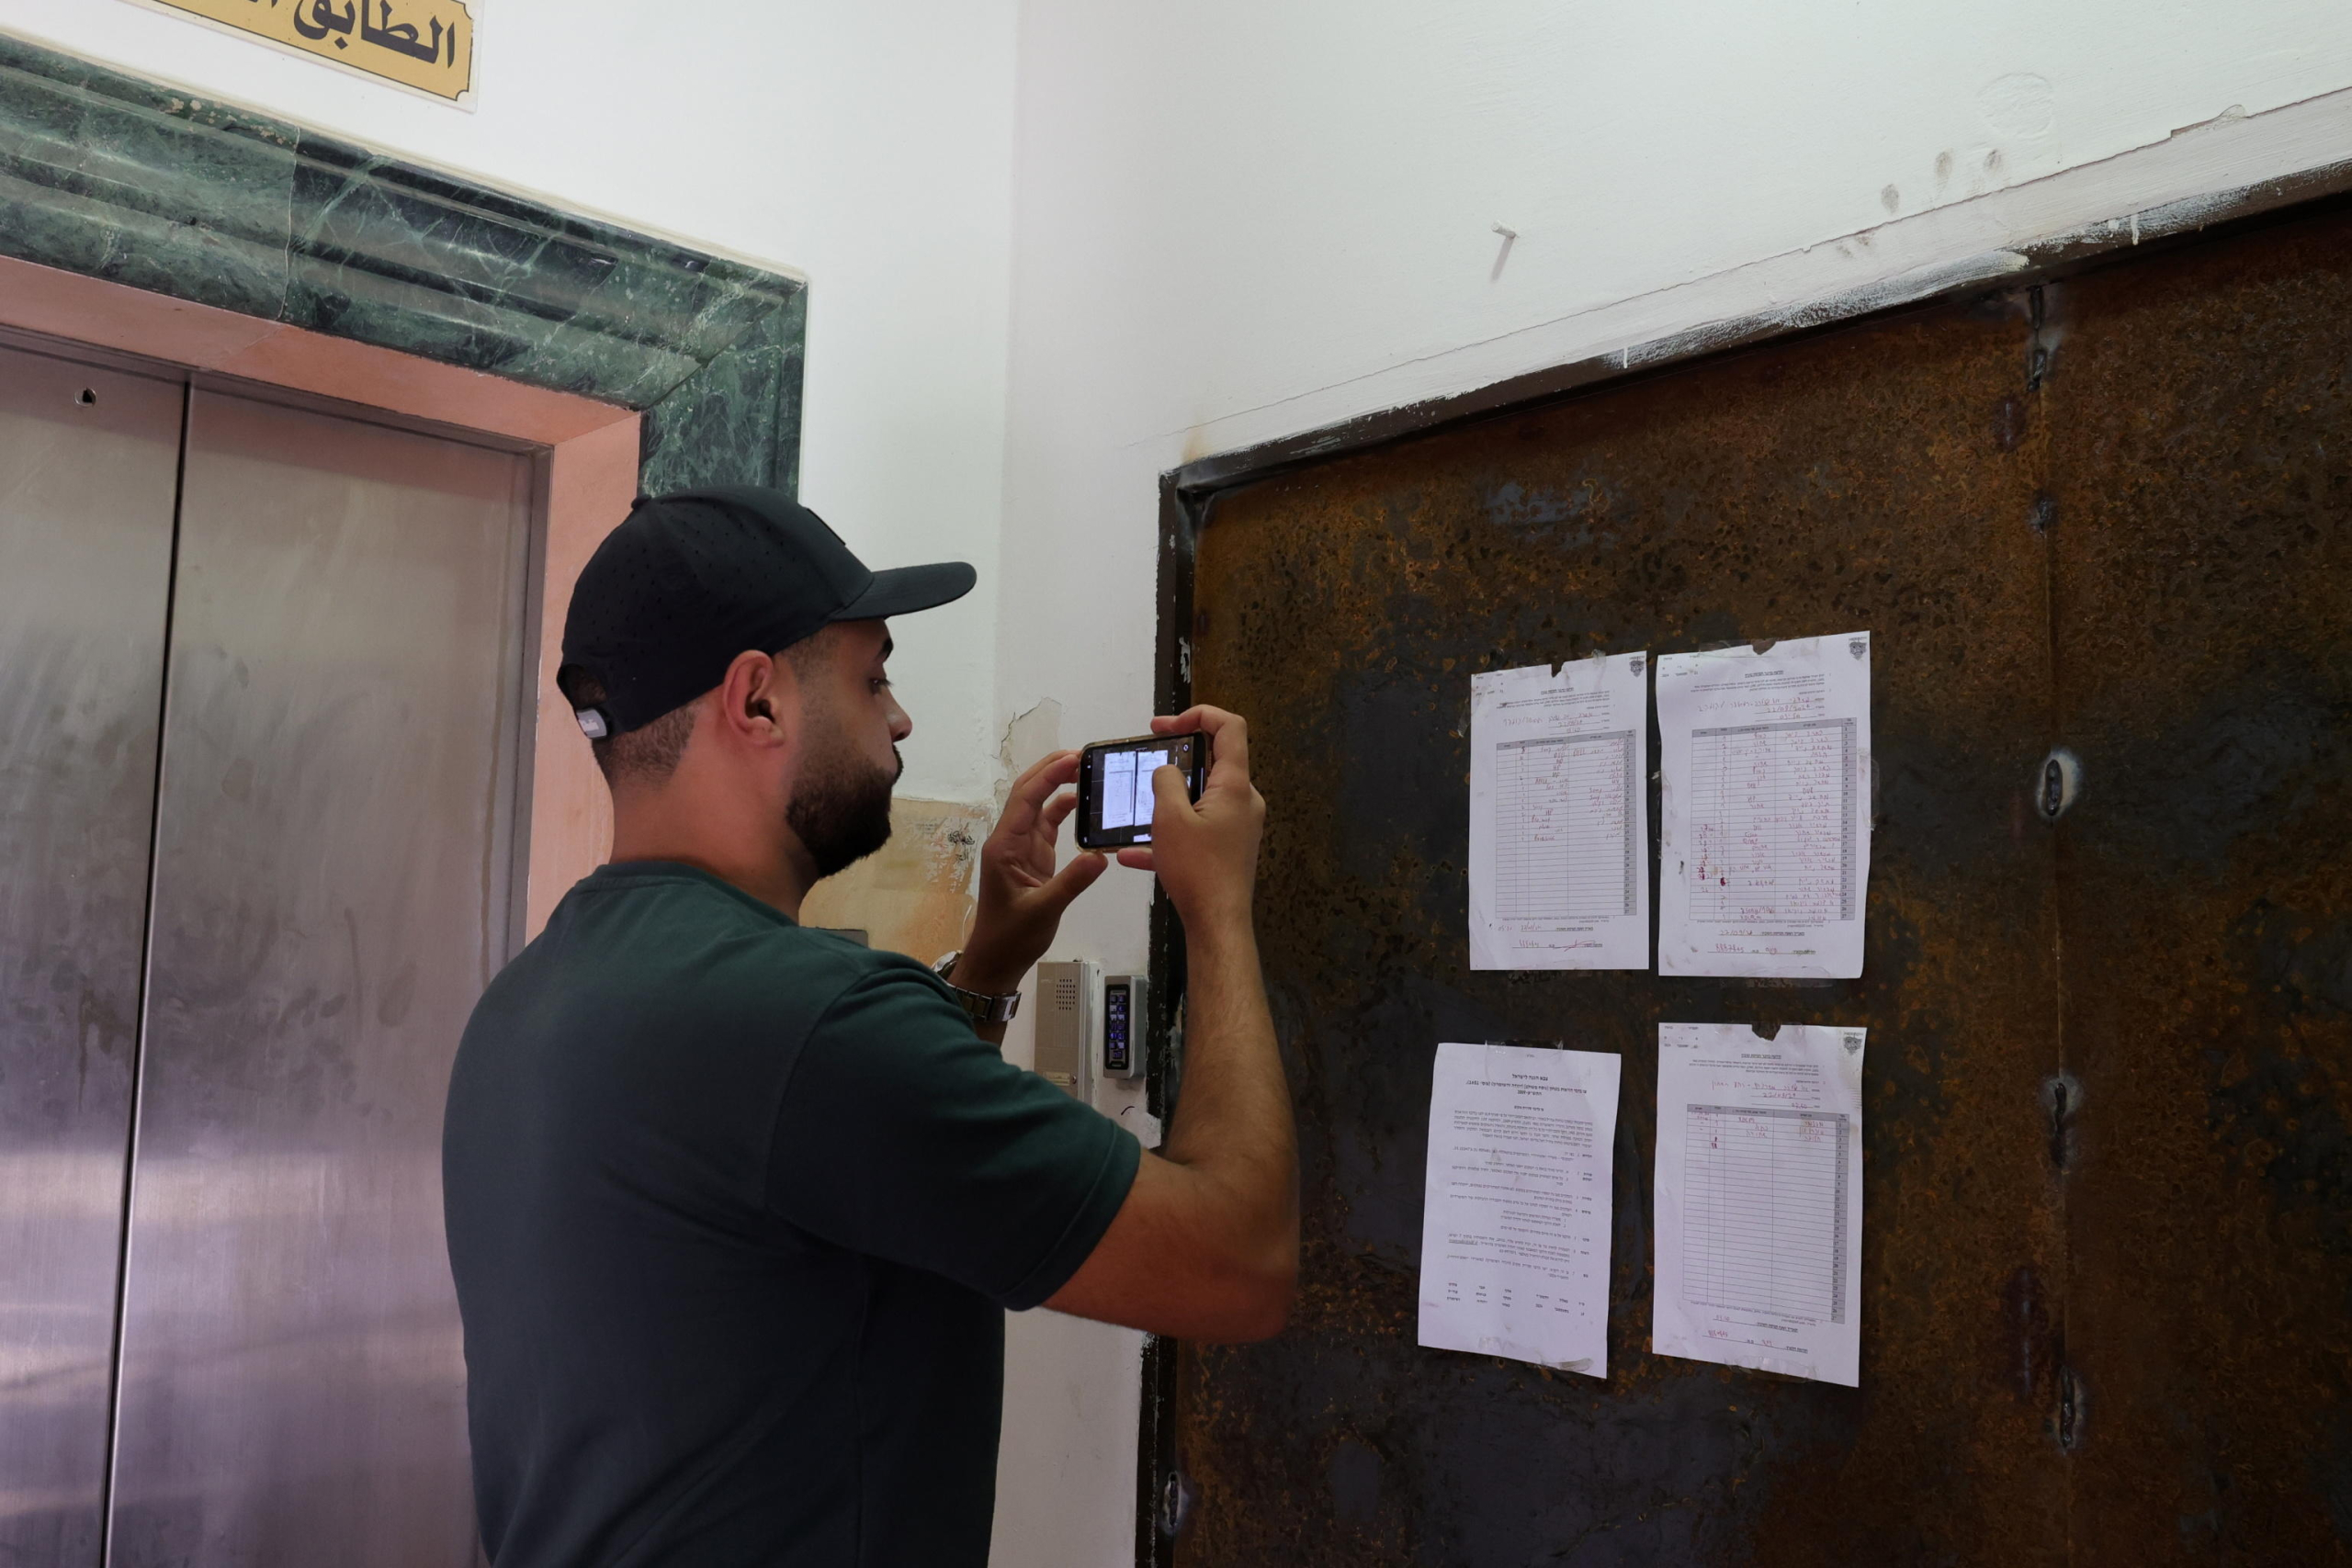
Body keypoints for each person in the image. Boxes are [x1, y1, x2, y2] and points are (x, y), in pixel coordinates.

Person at [441, 487, 1295, 1568]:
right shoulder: (812, 1018)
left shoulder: (525, 1004)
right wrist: (1215, 909)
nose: (897, 718)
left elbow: (843, 1173)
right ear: (756, 703)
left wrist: (984, 973)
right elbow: (1238, 1262)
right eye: (874, 676)